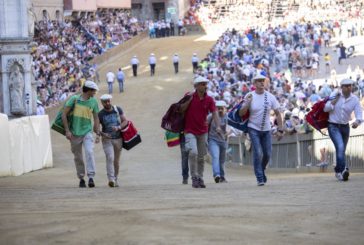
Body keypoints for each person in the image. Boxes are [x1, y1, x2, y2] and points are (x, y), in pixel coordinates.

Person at [238, 74, 284, 186]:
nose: (261, 83)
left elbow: (278, 113)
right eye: (258, 81)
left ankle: (261, 169)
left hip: (267, 130)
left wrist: (280, 129)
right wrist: (247, 104)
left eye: (263, 81)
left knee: (267, 154)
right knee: (257, 152)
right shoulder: (249, 96)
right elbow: (241, 113)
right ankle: (259, 177)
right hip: (253, 128)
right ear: (254, 84)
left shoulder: (270, 96)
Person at [179, 76, 222, 188]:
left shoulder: (209, 99)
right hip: (189, 130)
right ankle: (194, 177)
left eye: (205, 84)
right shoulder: (189, 96)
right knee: (193, 152)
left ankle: (200, 177)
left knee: (201, 156)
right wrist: (188, 101)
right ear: (196, 86)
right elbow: (181, 109)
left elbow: (215, 113)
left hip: (203, 131)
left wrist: (218, 126)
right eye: (202, 84)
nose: (204, 86)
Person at [61, 80, 100, 188]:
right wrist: (67, 131)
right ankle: (81, 178)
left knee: (89, 151)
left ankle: (91, 177)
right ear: (88, 90)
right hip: (74, 133)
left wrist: (98, 134)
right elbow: (64, 115)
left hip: (87, 132)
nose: (95, 93)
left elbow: (96, 118)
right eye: (94, 91)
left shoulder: (94, 102)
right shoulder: (74, 99)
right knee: (78, 157)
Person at [324, 79, 363, 181]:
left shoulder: (354, 99)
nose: (349, 87)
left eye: (350, 86)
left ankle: (338, 170)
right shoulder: (334, 94)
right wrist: (333, 101)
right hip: (333, 126)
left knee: (341, 150)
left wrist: (357, 122)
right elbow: (325, 108)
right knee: (340, 147)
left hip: (345, 127)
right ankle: (343, 170)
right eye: (346, 86)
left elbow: (359, 112)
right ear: (342, 87)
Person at [98, 94, 128, 187]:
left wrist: (118, 127)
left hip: (118, 138)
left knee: (116, 161)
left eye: (108, 101)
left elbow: (125, 121)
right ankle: (111, 179)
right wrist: (102, 134)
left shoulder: (117, 109)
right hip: (107, 139)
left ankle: (115, 178)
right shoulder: (100, 114)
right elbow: (96, 128)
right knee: (110, 157)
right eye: (105, 102)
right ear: (102, 103)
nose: (107, 103)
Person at [208, 100, 229, 183]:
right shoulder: (211, 116)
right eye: (218, 108)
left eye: (221, 108)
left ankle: (222, 177)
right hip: (213, 140)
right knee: (216, 157)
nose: (220, 110)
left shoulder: (227, 117)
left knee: (222, 160)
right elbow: (205, 124)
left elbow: (231, 128)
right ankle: (217, 175)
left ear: (225, 109)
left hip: (223, 141)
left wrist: (228, 132)